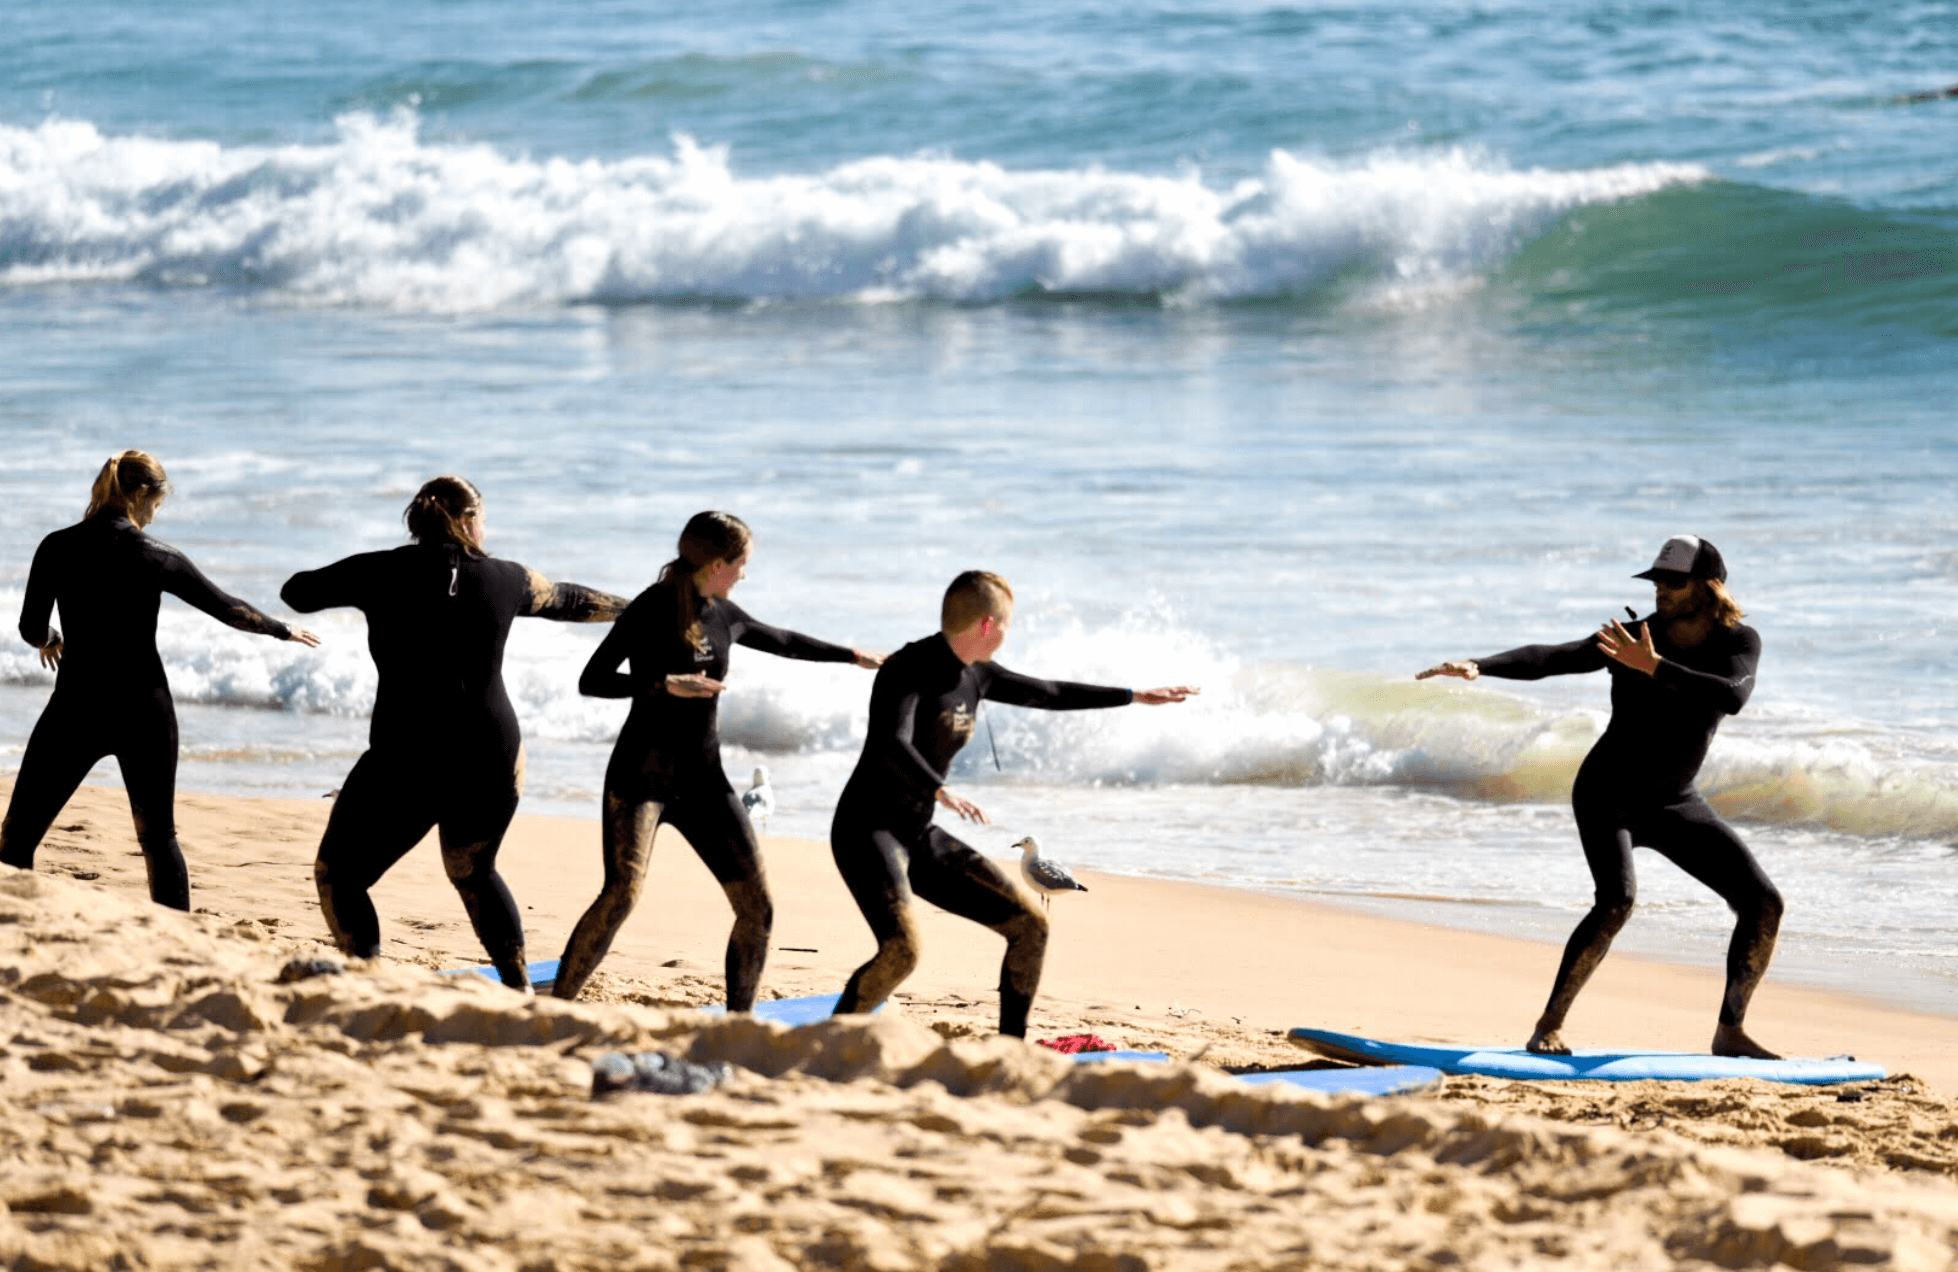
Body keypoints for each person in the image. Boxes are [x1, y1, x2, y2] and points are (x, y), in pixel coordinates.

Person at [1416, 535, 1783, 1059]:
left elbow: (1732, 695)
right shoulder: (1632, 636)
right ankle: (1549, 1025)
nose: (1660, 589)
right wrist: (1481, 664)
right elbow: (1554, 656)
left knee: (1762, 903)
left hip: (1675, 801)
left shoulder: (1739, 642)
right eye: (1655, 580)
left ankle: (1730, 1031)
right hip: (1607, 792)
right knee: (1616, 902)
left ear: (1708, 587)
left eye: (1673, 582)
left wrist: (1653, 667)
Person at [281, 476, 625, 990]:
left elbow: (298, 593)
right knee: (474, 871)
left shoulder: (380, 570)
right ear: (468, 521)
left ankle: (367, 979)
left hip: (406, 755)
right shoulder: (510, 578)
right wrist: (638, 610)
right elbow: (570, 600)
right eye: (483, 518)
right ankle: (520, 987)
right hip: (492, 756)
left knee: (341, 876)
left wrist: (356, 578)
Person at [830, 570, 1198, 1037]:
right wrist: (939, 789)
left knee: (1031, 925)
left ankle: (1011, 1051)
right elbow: (891, 742)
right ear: (988, 625)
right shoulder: (906, 668)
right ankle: (832, 1041)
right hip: (867, 831)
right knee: (903, 951)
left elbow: (1047, 693)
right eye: (1007, 624)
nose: (1008, 633)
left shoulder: (977, 674)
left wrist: (1133, 696)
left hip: (916, 833)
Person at [553, 511, 881, 1007]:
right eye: (742, 564)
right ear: (717, 563)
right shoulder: (651, 607)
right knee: (621, 895)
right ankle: (557, 1008)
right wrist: (663, 685)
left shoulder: (724, 613)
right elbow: (592, 680)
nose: (745, 574)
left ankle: (739, 1022)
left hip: (704, 781)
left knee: (759, 908)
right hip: (640, 778)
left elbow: (785, 641)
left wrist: (854, 656)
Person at [1, 451, 320, 909]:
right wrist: (282, 629)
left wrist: (52, 637)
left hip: (76, 709)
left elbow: (31, 628)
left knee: (17, 838)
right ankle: (177, 935)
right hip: (144, 712)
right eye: (157, 502)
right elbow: (228, 607)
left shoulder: (57, 546)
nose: (155, 514)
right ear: (142, 495)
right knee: (158, 840)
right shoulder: (157, 557)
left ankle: (16, 930)